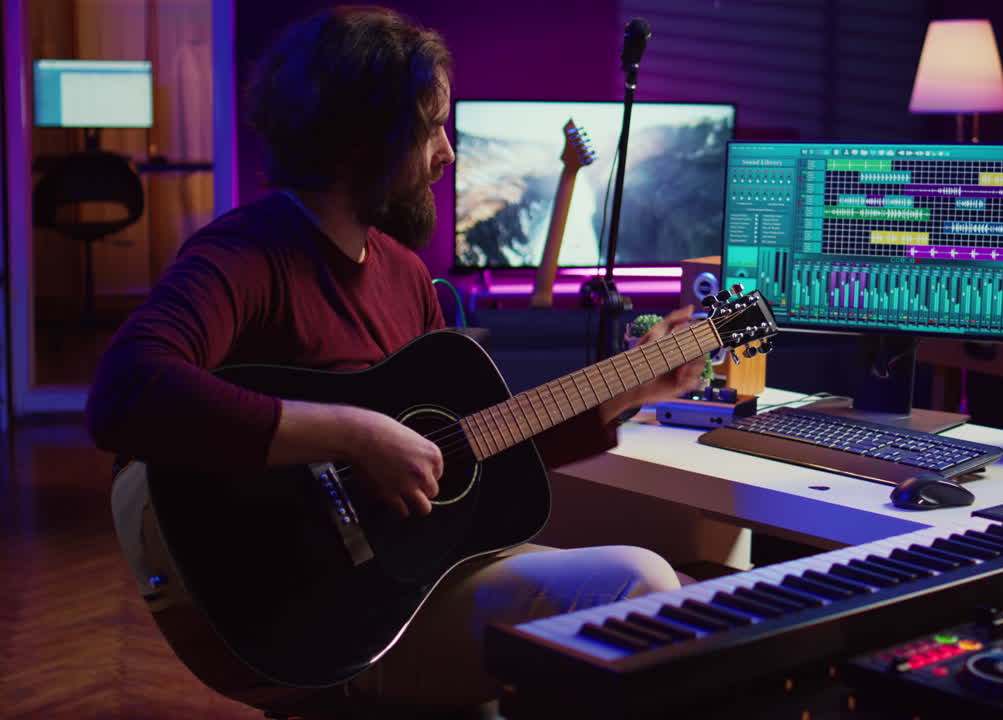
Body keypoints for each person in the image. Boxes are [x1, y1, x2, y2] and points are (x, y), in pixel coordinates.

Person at [87, 5, 703, 713]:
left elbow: (471, 454)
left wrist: (637, 386)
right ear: (361, 139)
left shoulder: (406, 276)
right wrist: (355, 435)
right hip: (325, 624)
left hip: (418, 584)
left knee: (677, 600)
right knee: (641, 587)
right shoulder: (247, 258)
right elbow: (127, 393)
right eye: (431, 126)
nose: (447, 153)